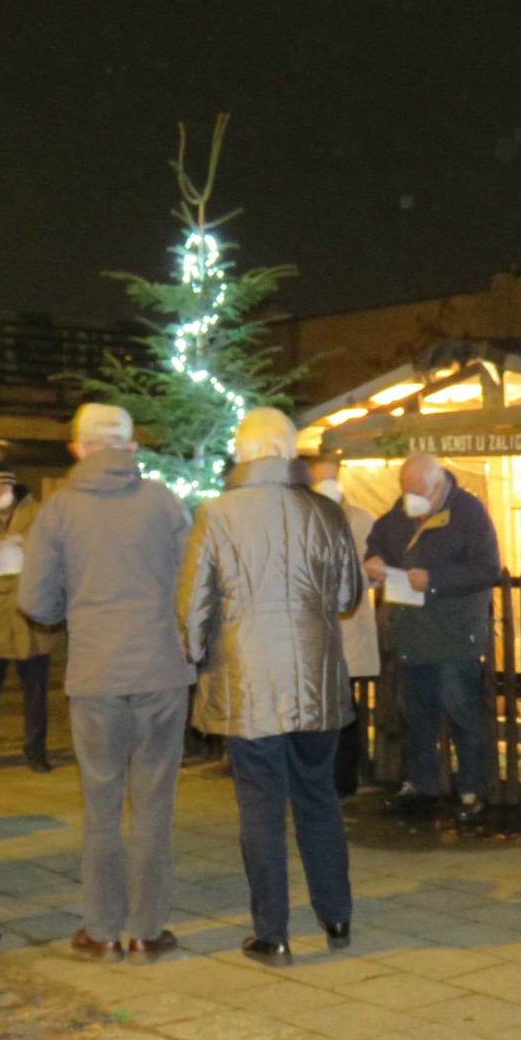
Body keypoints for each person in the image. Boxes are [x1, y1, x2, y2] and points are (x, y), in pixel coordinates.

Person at [180, 408, 361, 966]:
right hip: (315, 680)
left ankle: (273, 933)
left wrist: (195, 655)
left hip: (246, 681)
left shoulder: (217, 513)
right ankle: (336, 917)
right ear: (288, 452)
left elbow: (193, 606)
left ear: (242, 453)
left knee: (259, 805)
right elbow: (349, 595)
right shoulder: (327, 513)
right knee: (318, 797)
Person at [19, 404, 195, 960]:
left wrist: (72, 609)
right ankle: (147, 929)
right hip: (161, 670)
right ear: (131, 448)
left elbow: (34, 602)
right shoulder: (164, 503)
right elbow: (196, 582)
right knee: (153, 805)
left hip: (95, 673)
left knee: (101, 804)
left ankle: (101, 930)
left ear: (78, 448)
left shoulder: (59, 511)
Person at [364, 452, 502, 822]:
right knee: (417, 715)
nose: (410, 499)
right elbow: (377, 539)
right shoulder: (400, 512)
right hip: (413, 635)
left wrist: (435, 581)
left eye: (417, 491)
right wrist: (373, 561)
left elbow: (488, 568)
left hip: (456, 633)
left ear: (439, 486)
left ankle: (472, 790)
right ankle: (420, 786)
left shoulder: (469, 513)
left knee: (463, 713)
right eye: (405, 491)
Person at [0, 463, 55, 774]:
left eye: (1, 487)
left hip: (28, 606)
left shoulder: (39, 514)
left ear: (12, 487)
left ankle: (36, 750)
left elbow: (54, 554)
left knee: (35, 688)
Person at [310, 459, 382, 798]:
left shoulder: (360, 520)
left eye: (330, 479)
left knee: (344, 702)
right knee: (322, 703)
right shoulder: (303, 519)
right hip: (313, 628)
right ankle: (324, 777)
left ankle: (344, 777)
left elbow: (369, 570)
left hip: (347, 624)